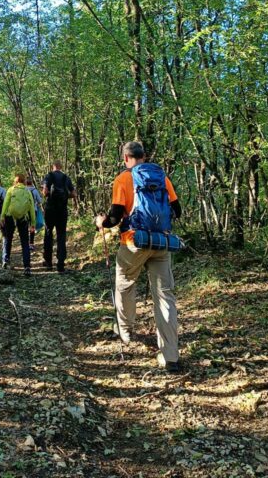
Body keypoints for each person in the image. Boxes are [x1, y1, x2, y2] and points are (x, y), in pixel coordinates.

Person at [95, 141, 183, 373]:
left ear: (125, 158)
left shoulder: (123, 179)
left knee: (124, 283)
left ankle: (125, 330)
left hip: (134, 242)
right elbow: (177, 210)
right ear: (144, 156)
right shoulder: (162, 177)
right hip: (162, 242)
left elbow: (114, 218)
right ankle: (170, 355)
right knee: (165, 296)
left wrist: (101, 223)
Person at [42, 160, 76, 273]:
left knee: (48, 233)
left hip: (50, 210)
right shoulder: (66, 178)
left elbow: (45, 191)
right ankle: (60, 264)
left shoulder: (49, 176)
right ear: (61, 167)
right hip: (62, 211)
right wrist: (65, 196)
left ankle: (48, 263)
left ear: (53, 166)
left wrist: (48, 195)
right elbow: (74, 193)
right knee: (61, 235)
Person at [0, 171, 36, 276]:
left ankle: (5, 261)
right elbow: (31, 208)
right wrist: (32, 223)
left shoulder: (11, 190)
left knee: (8, 238)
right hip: (23, 218)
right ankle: (27, 267)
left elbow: (6, 204)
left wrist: (2, 216)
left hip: (10, 217)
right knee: (25, 242)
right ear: (24, 181)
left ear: (15, 181)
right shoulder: (27, 191)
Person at [26, 176, 44, 251]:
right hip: (34, 210)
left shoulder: (23, 190)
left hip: (25, 211)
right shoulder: (35, 191)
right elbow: (40, 201)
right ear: (32, 183)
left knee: (26, 226)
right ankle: (31, 244)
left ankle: (25, 243)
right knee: (32, 226)